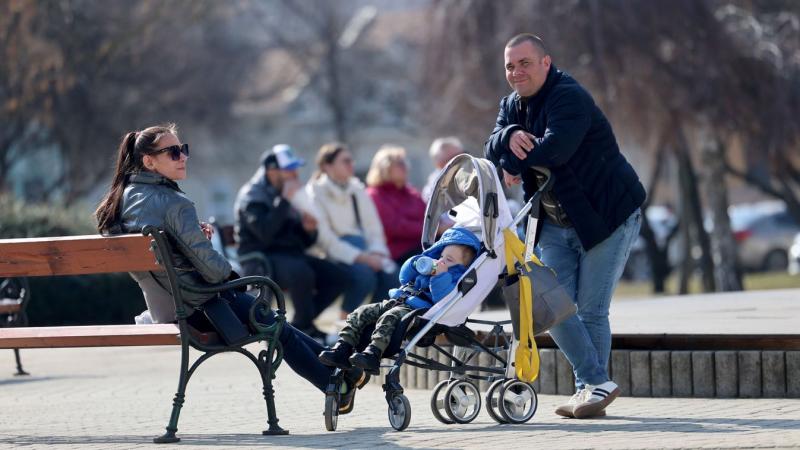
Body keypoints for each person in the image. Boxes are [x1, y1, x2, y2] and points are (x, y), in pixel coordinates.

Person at [94, 124, 365, 414]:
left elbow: (161, 250)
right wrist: (238, 281)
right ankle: (336, 385)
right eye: (173, 152)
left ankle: (342, 372)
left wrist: (190, 238)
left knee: (276, 323)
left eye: (183, 150)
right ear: (149, 161)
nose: (183, 157)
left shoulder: (116, 202)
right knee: (277, 328)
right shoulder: (176, 203)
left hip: (165, 307)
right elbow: (213, 270)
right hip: (202, 307)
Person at [484, 34, 645, 419]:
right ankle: (596, 385)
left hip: (607, 217)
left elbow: (557, 148)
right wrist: (509, 135)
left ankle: (589, 391)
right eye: (509, 65)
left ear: (546, 62)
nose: (516, 71)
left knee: (590, 311)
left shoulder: (569, 96)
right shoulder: (512, 105)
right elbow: (491, 145)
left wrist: (513, 162)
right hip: (555, 221)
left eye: (524, 62)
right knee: (549, 305)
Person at [318, 227, 480, 374]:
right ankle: (342, 347)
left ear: (462, 267)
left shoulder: (453, 278)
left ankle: (373, 353)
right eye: (442, 255)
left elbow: (442, 298)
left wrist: (441, 275)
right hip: (397, 299)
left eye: (449, 260)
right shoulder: (434, 264)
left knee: (389, 317)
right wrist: (416, 263)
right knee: (360, 312)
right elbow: (403, 278)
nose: (442, 261)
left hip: (415, 309)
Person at [233, 144, 350, 341]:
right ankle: (304, 328)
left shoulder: (286, 194)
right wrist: (286, 201)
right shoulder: (252, 194)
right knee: (301, 272)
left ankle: (300, 326)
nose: (295, 173)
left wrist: (308, 231)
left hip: (289, 257)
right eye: (289, 169)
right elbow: (263, 235)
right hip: (261, 258)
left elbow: (298, 242)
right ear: (272, 171)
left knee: (338, 276)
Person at [305, 142, 397, 321]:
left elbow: (373, 229)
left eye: (351, 160)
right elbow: (325, 240)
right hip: (331, 254)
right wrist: (364, 258)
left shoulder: (357, 190)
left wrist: (377, 252)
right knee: (364, 276)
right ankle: (344, 325)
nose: (351, 164)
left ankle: (370, 325)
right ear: (327, 166)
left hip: (364, 250)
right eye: (345, 161)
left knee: (391, 276)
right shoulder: (314, 192)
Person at [365, 145, 428, 266]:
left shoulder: (411, 192)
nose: (406, 167)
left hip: (424, 244)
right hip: (401, 253)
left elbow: (428, 215)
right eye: (400, 163)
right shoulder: (375, 194)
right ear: (385, 168)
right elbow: (393, 227)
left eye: (405, 162)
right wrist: (430, 230)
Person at [421, 136, 466, 202]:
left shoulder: (475, 174)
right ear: (439, 164)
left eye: (463, 155)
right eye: (454, 159)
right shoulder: (433, 190)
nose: (461, 161)